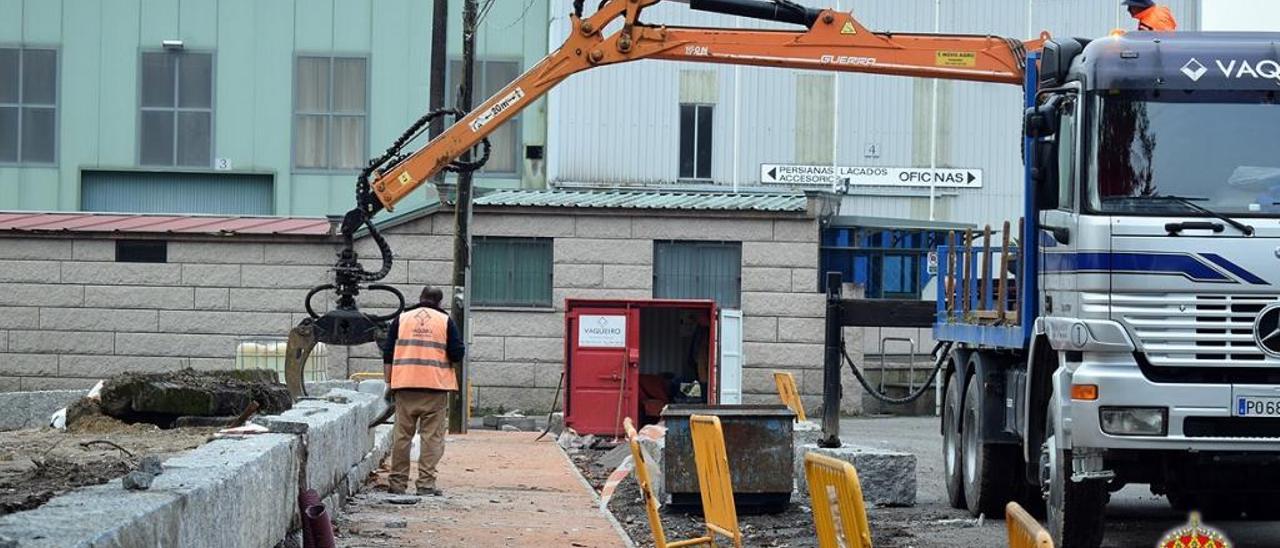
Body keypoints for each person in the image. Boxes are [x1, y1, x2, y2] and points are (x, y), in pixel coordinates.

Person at [380, 286, 466, 496]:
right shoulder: (445, 321)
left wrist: (389, 382)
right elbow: (457, 353)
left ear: (420, 298)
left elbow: (388, 352)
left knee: (402, 437)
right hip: (434, 388)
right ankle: (426, 485)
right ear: (439, 302)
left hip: (405, 386)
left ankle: (397, 484)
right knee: (431, 438)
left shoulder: (402, 319)